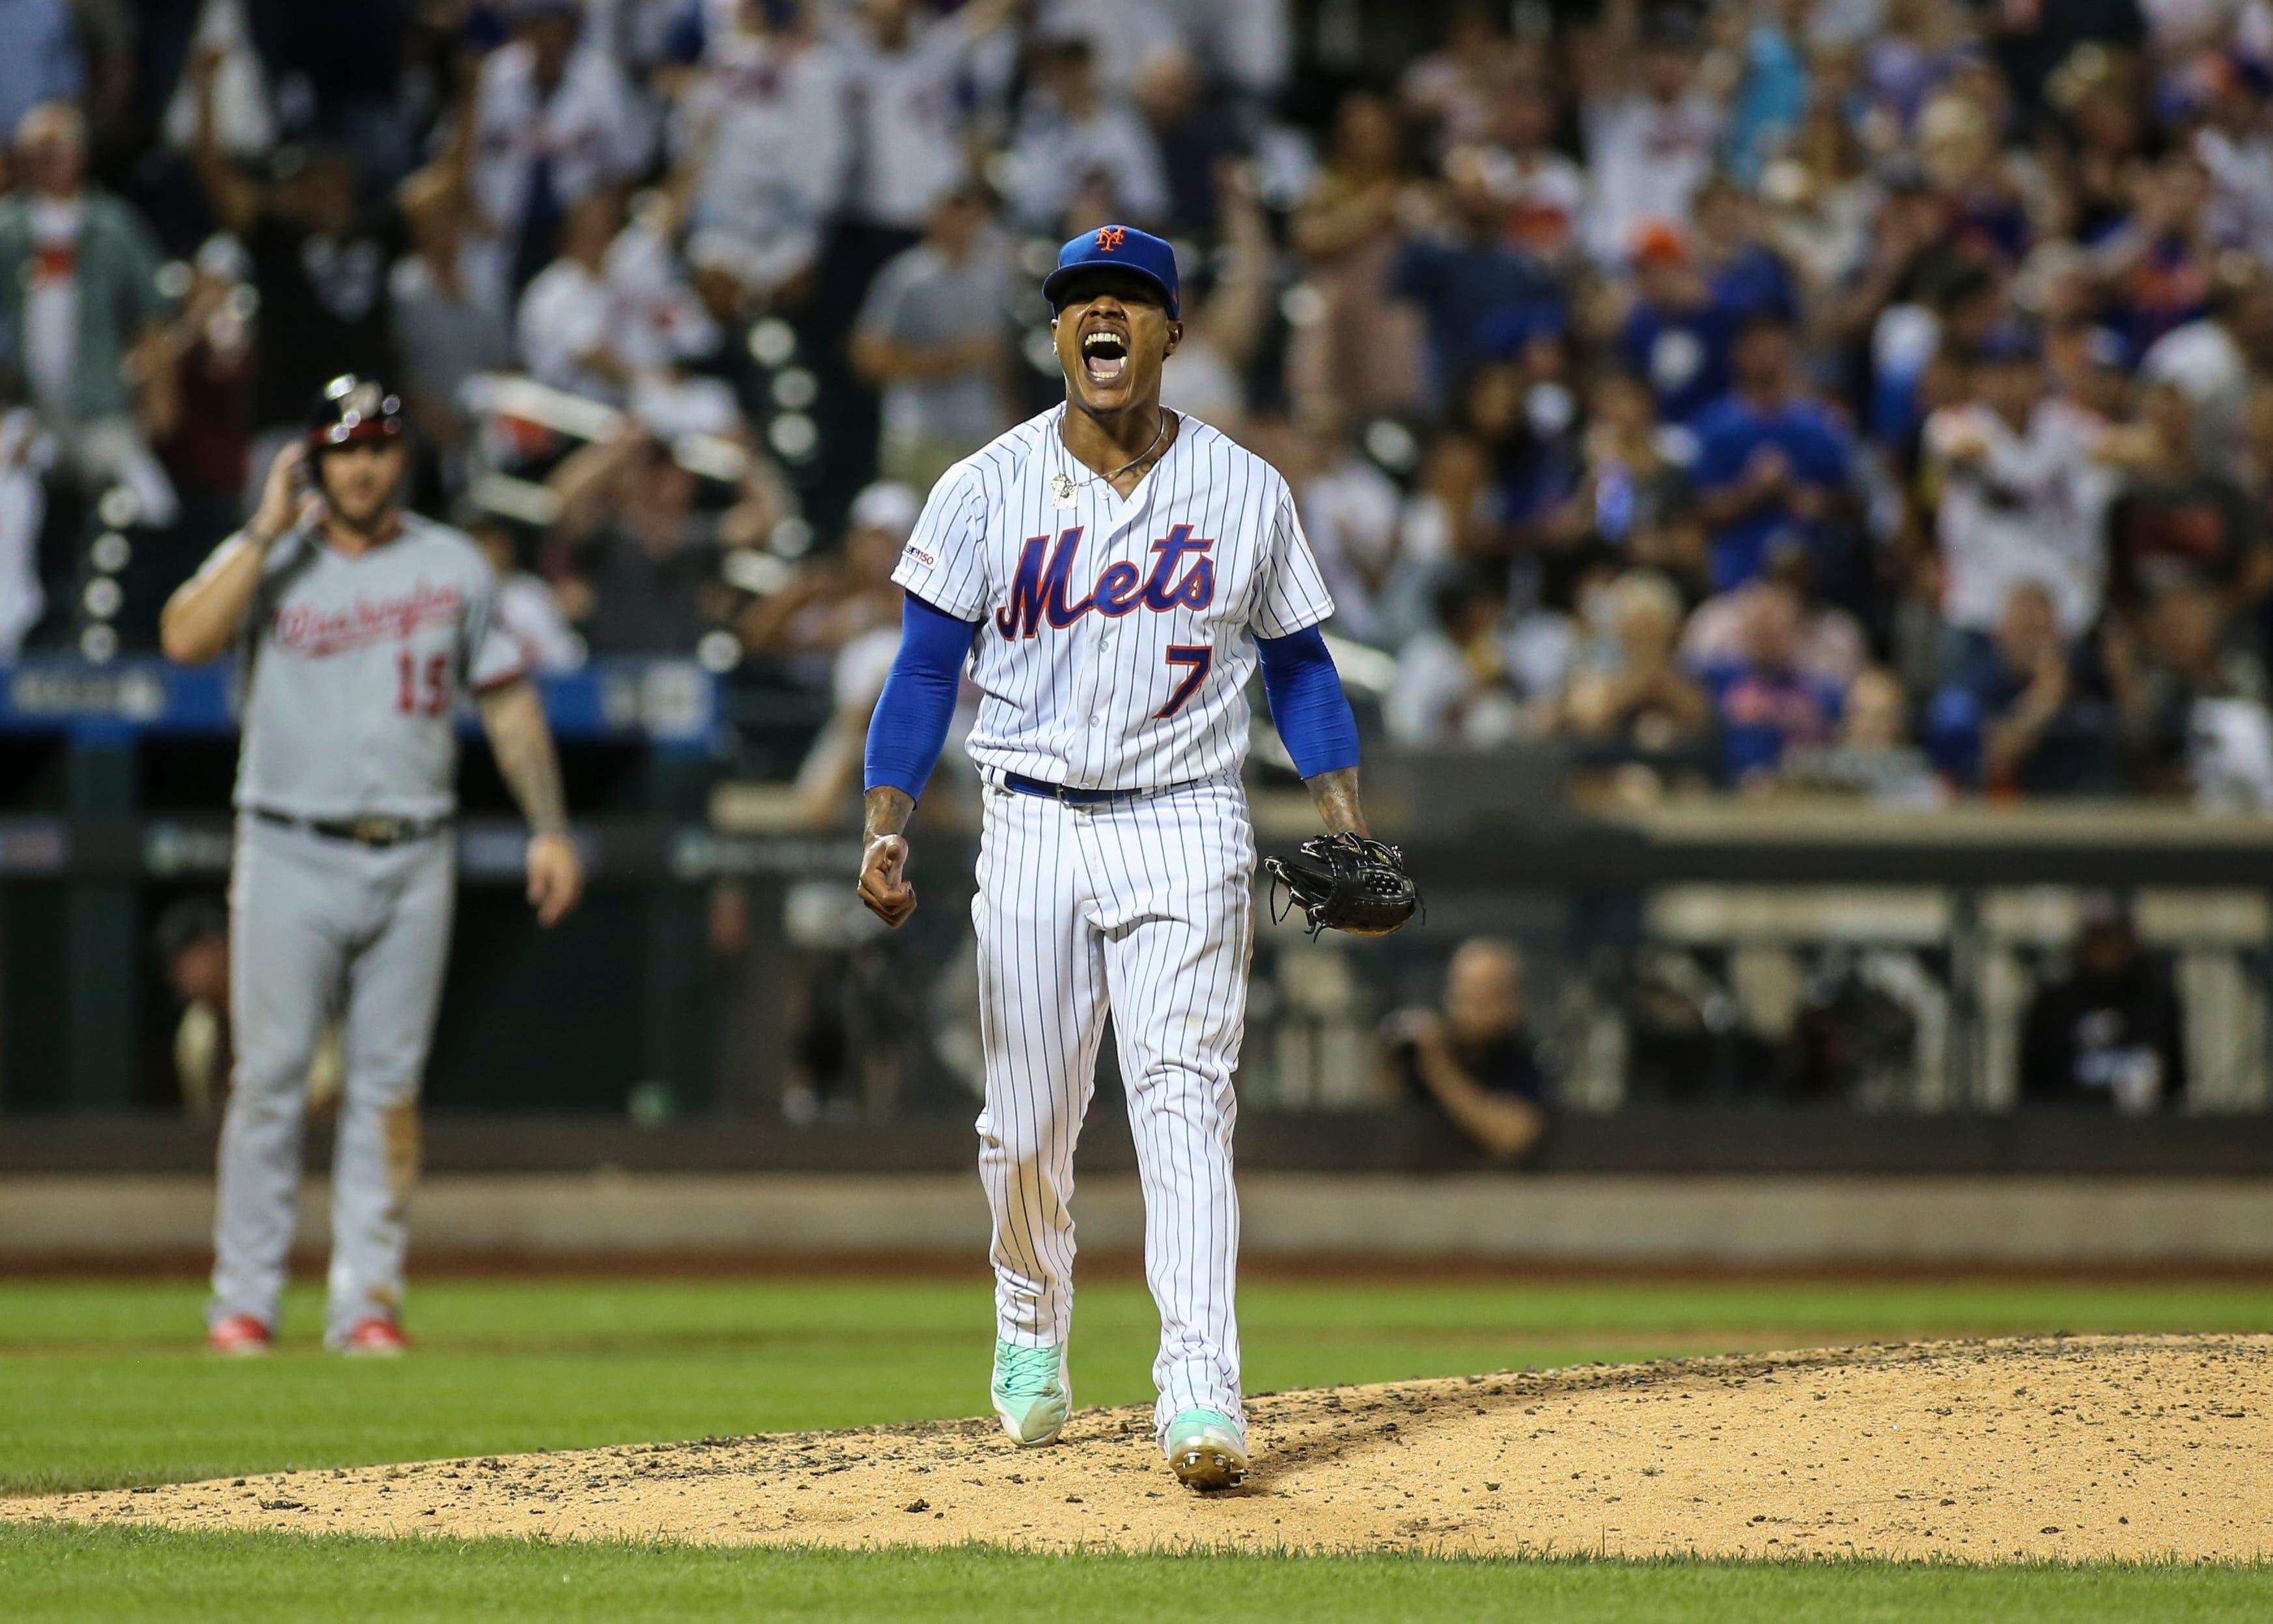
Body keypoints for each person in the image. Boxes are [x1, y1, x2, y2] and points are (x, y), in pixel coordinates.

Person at [855, 223, 1393, 1491]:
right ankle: (1029, 1317)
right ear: (1054, 334)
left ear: (1169, 331)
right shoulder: (981, 485)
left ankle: (1199, 1378)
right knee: (1026, 1119)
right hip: (1030, 813)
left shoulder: (1243, 487)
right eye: (1077, 300)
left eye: (1128, 299)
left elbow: (1301, 666)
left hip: (1184, 814)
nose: (1100, 316)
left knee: (1183, 1100)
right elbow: (924, 668)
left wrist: (1342, 815)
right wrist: (883, 819)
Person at [158, 374, 585, 1356]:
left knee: (387, 1089)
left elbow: (509, 704)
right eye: (343, 447)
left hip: (412, 849)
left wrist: (550, 825)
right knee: (267, 1080)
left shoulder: (453, 566)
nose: (361, 465)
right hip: (286, 842)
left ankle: (367, 1301)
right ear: (313, 457)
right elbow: (184, 636)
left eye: (379, 446)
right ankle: (245, 1299)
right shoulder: (270, 557)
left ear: (403, 457)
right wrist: (265, 529)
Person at [850, 184, 1014, 494]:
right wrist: (952, 360)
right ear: (934, 217)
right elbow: (867, 357)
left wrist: (1009, 423)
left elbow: (999, 361)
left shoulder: (993, 279)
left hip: (980, 434)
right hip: (917, 433)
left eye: (970, 214)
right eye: (953, 212)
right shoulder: (905, 278)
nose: (961, 223)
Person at [1692, 307, 1855, 592]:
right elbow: (1700, 511)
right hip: (1739, 579)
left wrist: (1809, 499)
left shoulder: (1820, 422)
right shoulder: (1713, 426)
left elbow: (1851, 502)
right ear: (1736, 352)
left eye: (1772, 340)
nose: (1764, 352)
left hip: (1815, 581)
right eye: (1754, 343)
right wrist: (1753, 489)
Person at [1383, 938, 1549, 1160]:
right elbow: (1383, 1121)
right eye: (1464, 994)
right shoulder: (1429, 1047)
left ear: (1513, 998)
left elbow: (1515, 1136)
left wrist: (1438, 1069)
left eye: (1485, 996)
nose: (1471, 1008)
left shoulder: (1526, 1056)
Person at [2020, 893, 2186, 1112]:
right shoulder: (2054, 1006)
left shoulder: (2157, 1005)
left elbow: (2175, 1086)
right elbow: (2032, 1087)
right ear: (2084, 940)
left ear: (2130, 941)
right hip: (2067, 1136)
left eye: (2113, 937)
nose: (2106, 950)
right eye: (2098, 937)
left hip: (2144, 1139)